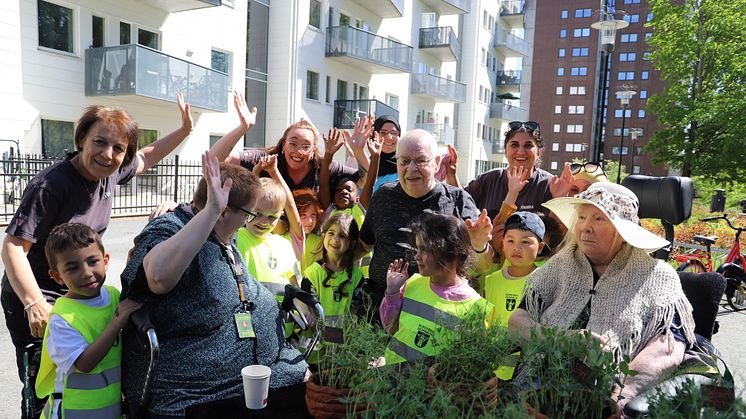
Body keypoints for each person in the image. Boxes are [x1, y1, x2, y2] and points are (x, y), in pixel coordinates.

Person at [1, 95, 192, 417]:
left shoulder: (109, 172)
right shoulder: (51, 185)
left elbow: (146, 156)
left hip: (83, 295)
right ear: (81, 140)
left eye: (118, 148)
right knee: (44, 387)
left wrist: (185, 130)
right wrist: (34, 303)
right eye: (99, 143)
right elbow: (13, 246)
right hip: (44, 296)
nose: (108, 154)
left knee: (91, 375)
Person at [120, 152, 309, 417]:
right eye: (248, 213)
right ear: (222, 211)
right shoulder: (172, 227)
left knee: (312, 387)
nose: (249, 220)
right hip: (200, 388)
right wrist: (211, 211)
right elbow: (157, 277)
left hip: (254, 369)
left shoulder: (225, 236)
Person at [508, 182, 696, 410]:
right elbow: (517, 322)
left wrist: (624, 392)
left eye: (599, 219)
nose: (585, 227)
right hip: (536, 389)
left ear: (623, 230)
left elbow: (668, 347)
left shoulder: (658, 276)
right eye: (582, 217)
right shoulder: (559, 264)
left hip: (605, 397)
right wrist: (561, 339)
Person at [357, 129, 493, 322]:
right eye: (404, 161)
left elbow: (483, 266)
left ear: (436, 163)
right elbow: (363, 246)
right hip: (381, 310)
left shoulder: (458, 201)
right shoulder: (382, 196)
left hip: (438, 315)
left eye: (420, 160)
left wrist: (480, 245)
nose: (411, 169)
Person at [36, 224, 141, 418]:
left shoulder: (112, 295)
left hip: (108, 409)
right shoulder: (62, 318)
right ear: (57, 277)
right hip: (74, 411)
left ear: (106, 260)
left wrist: (131, 269)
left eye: (93, 261)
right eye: (73, 268)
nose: (86, 272)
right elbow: (84, 364)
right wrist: (116, 323)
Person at [381, 214, 494, 364]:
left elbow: (470, 365)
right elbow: (390, 327)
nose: (417, 256)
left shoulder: (476, 308)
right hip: (390, 378)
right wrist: (392, 292)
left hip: (431, 386)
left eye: (425, 249)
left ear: (451, 253)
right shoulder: (413, 283)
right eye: (417, 248)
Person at [210, 92, 366, 193]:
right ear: (283, 145)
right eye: (293, 143)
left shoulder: (324, 166)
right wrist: (243, 128)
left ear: (313, 151)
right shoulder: (267, 160)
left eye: (306, 146)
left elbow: (364, 181)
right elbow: (213, 160)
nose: (298, 151)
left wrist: (359, 152)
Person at [447, 121, 575, 217]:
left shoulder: (549, 184)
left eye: (528, 146)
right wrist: (451, 174)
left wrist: (560, 199)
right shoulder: (490, 178)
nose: (520, 151)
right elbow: (462, 204)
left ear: (538, 152)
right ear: (505, 151)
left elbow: (554, 232)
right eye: (514, 145)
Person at [237, 155, 303, 302]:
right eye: (257, 213)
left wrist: (304, 310)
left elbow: (294, 282)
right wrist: (257, 170)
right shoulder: (234, 239)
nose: (263, 221)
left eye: (272, 217)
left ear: (281, 215)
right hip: (248, 317)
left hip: (280, 319)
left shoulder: (285, 245)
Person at [319, 128, 381, 230]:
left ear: (357, 198)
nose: (343, 191)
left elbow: (369, 184)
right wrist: (328, 154)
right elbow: (323, 185)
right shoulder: (330, 212)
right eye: (338, 190)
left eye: (349, 189)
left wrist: (375, 156)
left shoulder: (359, 210)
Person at [293, 189, 324, 272]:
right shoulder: (282, 238)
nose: (310, 221)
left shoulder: (319, 242)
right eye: (303, 215)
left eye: (313, 215)